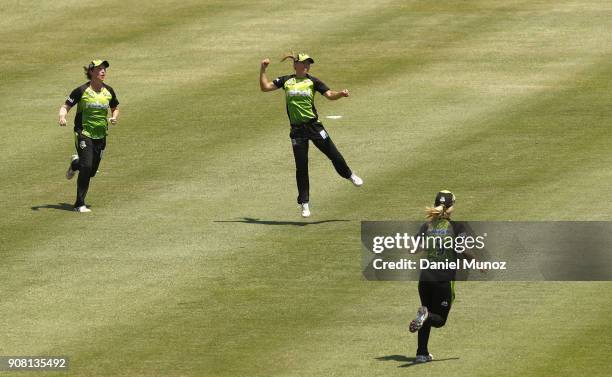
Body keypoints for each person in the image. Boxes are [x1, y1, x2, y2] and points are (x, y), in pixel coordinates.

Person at [259, 52, 363, 217]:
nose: (307, 65)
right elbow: (265, 87)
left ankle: (349, 175)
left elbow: (329, 95)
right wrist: (263, 69)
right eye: (304, 63)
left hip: (314, 126)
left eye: (309, 63)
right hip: (297, 130)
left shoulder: (312, 81)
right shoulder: (286, 80)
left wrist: (340, 94)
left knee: (333, 153)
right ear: (296, 65)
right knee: (301, 166)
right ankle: (305, 204)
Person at [408, 190, 474, 363]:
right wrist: (478, 262)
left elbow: (413, 249)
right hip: (443, 280)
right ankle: (425, 317)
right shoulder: (457, 227)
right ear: (450, 207)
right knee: (439, 319)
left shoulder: (427, 226)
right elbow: (463, 249)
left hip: (425, 278)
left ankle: (421, 353)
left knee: (425, 311)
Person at [58, 59, 119, 213]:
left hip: (101, 135)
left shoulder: (109, 91)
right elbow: (66, 106)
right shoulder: (81, 91)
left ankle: (75, 164)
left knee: (91, 171)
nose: (103, 71)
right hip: (83, 133)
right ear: (91, 71)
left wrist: (114, 117)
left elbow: (115, 107)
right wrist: (62, 117)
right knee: (87, 167)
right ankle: (79, 203)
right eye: (99, 69)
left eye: (104, 69)